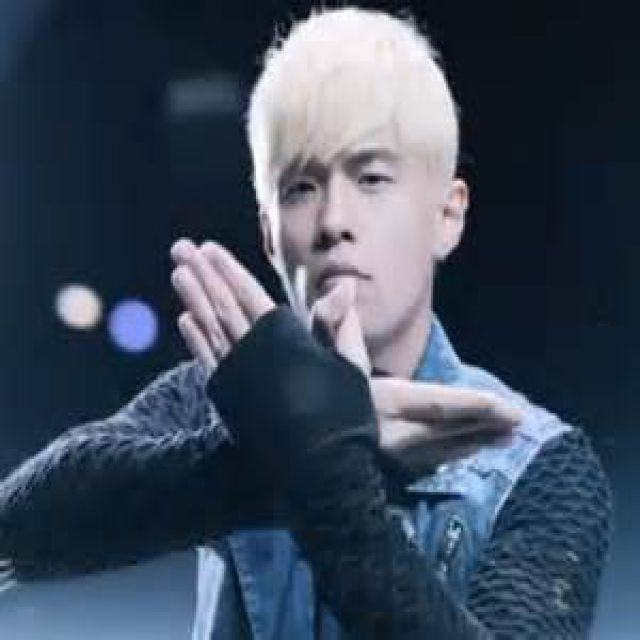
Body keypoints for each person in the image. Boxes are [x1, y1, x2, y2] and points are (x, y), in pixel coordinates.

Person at [0, 7, 611, 639]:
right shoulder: (220, 397)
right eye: (299, 188)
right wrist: (266, 462)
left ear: (447, 216)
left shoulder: (543, 466)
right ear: (269, 235)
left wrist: (328, 478)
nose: (332, 222)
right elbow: (16, 533)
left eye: (372, 178)